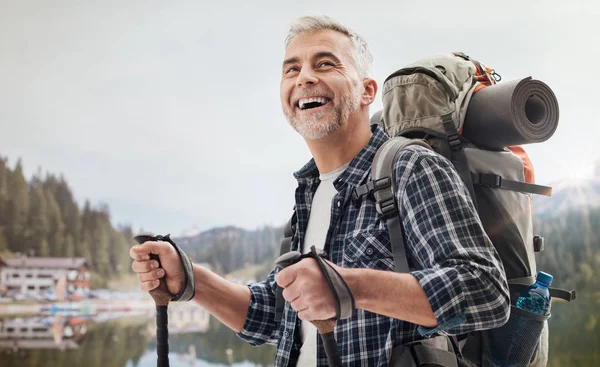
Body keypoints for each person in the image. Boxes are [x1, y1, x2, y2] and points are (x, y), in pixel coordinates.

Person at [130, 15, 510, 367]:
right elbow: (279, 319)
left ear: (366, 91)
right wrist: (192, 280)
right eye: (291, 69)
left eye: (325, 64)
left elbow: (486, 292)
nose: (304, 78)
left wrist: (348, 286)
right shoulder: (309, 193)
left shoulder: (411, 167)